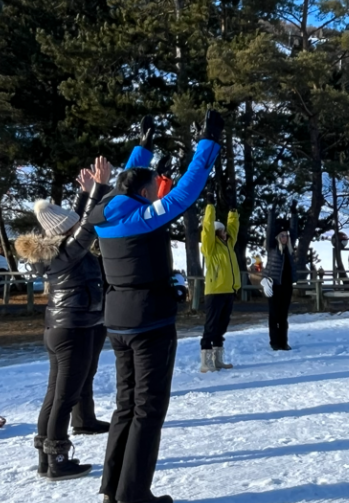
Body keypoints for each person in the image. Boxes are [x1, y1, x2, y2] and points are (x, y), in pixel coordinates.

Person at [91, 112, 223, 503]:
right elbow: (186, 191)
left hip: (117, 322)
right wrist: (208, 142)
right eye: (153, 188)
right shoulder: (143, 218)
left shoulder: (107, 212)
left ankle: (112, 489)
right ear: (147, 194)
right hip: (149, 321)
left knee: (125, 407)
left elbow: (126, 182)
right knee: (148, 411)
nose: (157, 192)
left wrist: (143, 146)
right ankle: (134, 495)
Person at [17, 156, 112, 482]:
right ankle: (57, 459)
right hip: (72, 329)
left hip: (59, 328)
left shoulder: (56, 251)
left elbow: (74, 221)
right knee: (65, 397)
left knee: (54, 395)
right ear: (66, 232)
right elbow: (84, 225)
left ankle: (45, 457)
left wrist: (85, 193)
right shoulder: (69, 251)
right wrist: (99, 188)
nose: (78, 228)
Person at [199, 181, 241, 373]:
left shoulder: (228, 245)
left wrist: (233, 209)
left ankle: (217, 359)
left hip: (228, 291)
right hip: (215, 291)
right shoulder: (210, 247)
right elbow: (206, 228)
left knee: (221, 328)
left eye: (224, 230)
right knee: (211, 326)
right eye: (221, 231)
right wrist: (210, 204)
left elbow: (234, 227)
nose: (225, 233)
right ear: (216, 233)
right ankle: (205, 362)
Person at [263, 207, 299, 350]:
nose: (285, 237)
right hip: (274, 285)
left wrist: (294, 214)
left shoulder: (289, 250)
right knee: (274, 315)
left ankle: (283, 342)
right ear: (278, 237)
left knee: (283, 316)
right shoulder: (272, 247)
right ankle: (274, 342)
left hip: (286, 286)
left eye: (286, 235)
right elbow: (270, 231)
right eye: (283, 235)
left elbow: (294, 232)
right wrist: (271, 214)